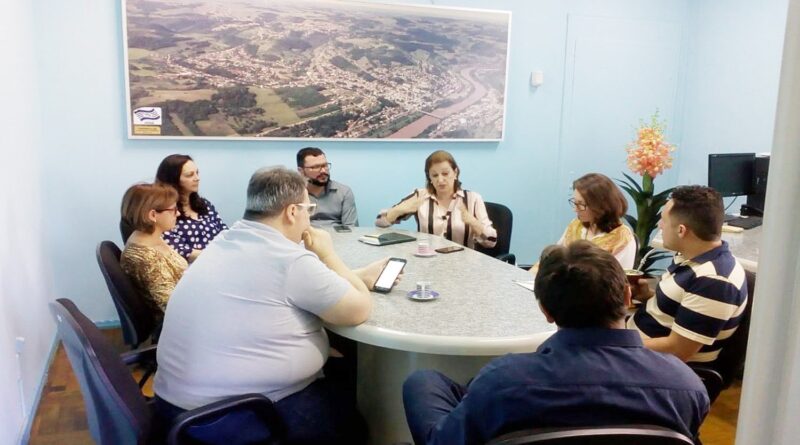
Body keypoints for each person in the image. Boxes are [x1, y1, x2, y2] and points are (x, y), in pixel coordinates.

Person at [153, 167, 391, 444]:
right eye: (308, 209)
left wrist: (352, 276)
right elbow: (358, 310)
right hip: (234, 417)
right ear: (292, 212)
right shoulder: (287, 259)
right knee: (358, 421)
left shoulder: (227, 241)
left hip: (178, 407)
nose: (308, 218)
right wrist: (328, 254)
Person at [403, 241, 709, 445]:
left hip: (492, 394)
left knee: (423, 381)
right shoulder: (686, 386)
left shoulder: (503, 381)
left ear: (546, 312)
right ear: (628, 298)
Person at [628, 185, 748, 363]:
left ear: (681, 230)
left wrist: (615, 346)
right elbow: (683, 307)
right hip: (637, 347)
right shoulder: (691, 257)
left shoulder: (714, 281)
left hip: (660, 369)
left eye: (663, 220)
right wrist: (648, 296)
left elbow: (678, 350)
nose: (660, 226)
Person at [375, 150, 497, 249]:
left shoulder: (473, 199)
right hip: (427, 263)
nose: (440, 180)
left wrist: (473, 222)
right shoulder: (420, 196)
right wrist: (399, 210)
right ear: (429, 178)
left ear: (455, 173)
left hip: (462, 266)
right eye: (434, 175)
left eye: (445, 173)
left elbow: (491, 241)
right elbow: (380, 222)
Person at [119, 183, 188, 315]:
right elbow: (174, 309)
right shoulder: (146, 258)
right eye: (173, 210)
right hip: (175, 326)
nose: (178, 213)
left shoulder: (150, 237)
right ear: (152, 215)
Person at [156, 154, 227, 262]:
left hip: (219, 261)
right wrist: (219, 256)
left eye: (197, 173)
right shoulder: (165, 211)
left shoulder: (204, 204)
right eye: (189, 175)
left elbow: (224, 232)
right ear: (173, 179)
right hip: (191, 269)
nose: (197, 178)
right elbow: (178, 251)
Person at [297, 147, 359, 226]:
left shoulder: (344, 192)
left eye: (325, 165)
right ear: (301, 171)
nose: (323, 171)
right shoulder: (292, 194)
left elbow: (351, 228)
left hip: (338, 237)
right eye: (316, 167)